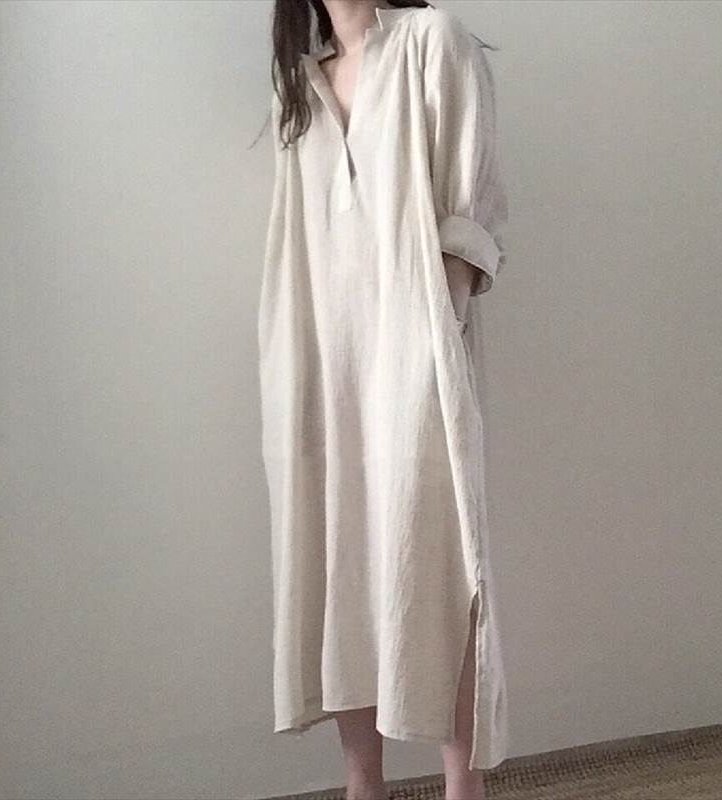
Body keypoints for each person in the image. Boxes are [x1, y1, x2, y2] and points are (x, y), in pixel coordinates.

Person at [257, 2, 510, 798]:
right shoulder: (299, 86)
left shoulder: (434, 43)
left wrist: (440, 330)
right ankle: (362, 783)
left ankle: (462, 786)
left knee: (441, 562)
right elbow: (297, 241)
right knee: (340, 564)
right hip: (324, 359)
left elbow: (469, 203)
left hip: (415, 348)